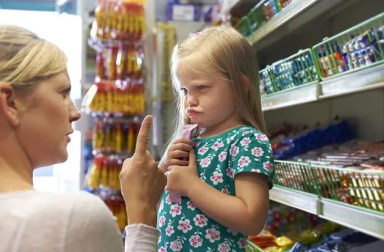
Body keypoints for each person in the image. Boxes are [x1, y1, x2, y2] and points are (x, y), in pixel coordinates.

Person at [0, 25, 165, 252]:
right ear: (9, 103)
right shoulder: (70, 217)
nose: (75, 112)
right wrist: (143, 210)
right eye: (63, 92)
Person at [158, 26, 275, 251]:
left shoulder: (247, 141)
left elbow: (252, 218)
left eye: (201, 87)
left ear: (240, 87)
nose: (190, 100)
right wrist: (163, 166)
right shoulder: (193, 138)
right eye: (184, 90)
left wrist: (191, 186)